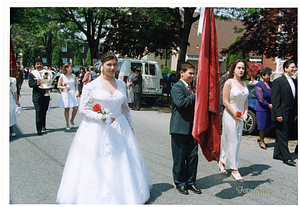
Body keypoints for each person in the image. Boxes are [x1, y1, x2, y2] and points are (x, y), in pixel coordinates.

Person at [56, 52, 152, 204]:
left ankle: (124, 194)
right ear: (101, 65)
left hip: (120, 126)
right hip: (97, 128)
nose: (112, 68)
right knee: (99, 160)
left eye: (115, 64)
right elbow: (84, 109)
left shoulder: (121, 84)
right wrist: (101, 117)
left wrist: (131, 126)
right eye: (109, 64)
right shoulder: (91, 86)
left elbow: (125, 108)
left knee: (122, 160)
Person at [170, 62, 201, 195]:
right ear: (182, 73)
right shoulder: (176, 87)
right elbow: (181, 103)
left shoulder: (191, 88)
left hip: (192, 128)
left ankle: (191, 182)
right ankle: (180, 183)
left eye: (194, 74)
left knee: (193, 156)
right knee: (180, 157)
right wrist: (195, 95)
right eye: (190, 73)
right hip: (179, 128)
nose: (192, 76)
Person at [218, 59, 248, 182]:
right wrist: (234, 113)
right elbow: (225, 101)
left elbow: (246, 100)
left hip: (240, 116)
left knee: (234, 139)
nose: (241, 70)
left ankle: (222, 161)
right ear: (233, 69)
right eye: (239, 68)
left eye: (243, 68)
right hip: (230, 114)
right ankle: (234, 169)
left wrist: (245, 114)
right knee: (233, 141)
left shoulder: (244, 83)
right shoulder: (229, 82)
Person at [271, 60, 297, 166]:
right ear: (285, 68)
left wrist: (296, 113)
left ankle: (277, 153)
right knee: (283, 135)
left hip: (290, 113)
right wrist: (278, 114)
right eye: (292, 67)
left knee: (282, 134)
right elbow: (275, 99)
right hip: (281, 113)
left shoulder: (294, 81)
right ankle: (286, 157)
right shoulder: (278, 81)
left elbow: (295, 99)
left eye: (294, 67)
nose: (294, 69)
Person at [28, 57, 50, 135]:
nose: (39, 65)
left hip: (45, 94)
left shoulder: (46, 73)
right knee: (38, 112)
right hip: (37, 95)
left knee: (44, 111)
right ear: (35, 65)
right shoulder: (32, 74)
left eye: (40, 64)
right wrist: (37, 82)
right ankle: (39, 128)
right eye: (37, 64)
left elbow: (49, 81)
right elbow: (30, 84)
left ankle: (43, 125)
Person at [254, 67, 274, 150]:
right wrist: (268, 105)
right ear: (262, 75)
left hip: (271, 108)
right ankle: (262, 141)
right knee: (261, 125)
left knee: (270, 124)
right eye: (268, 75)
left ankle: (261, 137)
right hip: (262, 108)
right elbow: (261, 99)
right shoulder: (259, 85)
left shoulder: (271, 84)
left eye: (270, 75)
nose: (269, 77)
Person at [57, 63, 80, 130]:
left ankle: (72, 119)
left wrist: (77, 91)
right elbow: (58, 85)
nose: (72, 69)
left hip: (73, 92)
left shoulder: (74, 75)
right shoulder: (62, 76)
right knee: (67, 108)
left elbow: (76, 84)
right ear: (66, 68)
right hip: (66, 93)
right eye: (71, 67)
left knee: (75, 108)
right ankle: (67, 123)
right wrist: (64, 88)